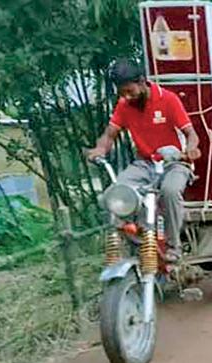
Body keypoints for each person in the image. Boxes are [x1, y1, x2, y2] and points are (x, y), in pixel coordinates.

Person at [84, 59, 200, 262]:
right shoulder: (124, 104)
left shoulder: (168, 99)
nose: (127, 97)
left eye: (130, 91)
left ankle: (174, 246)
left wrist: (190, 149)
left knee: (170, 192)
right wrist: (100, 149)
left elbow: (191, 133)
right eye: (122, 93)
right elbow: (110, 134)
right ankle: (135, 239)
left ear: (142, 81)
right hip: (144, 164)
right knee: (114, 193)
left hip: (173, 163)